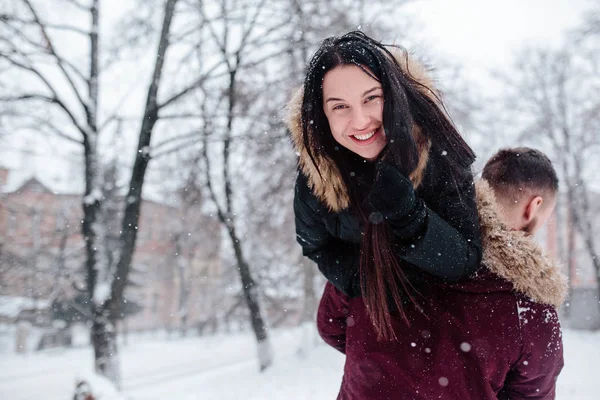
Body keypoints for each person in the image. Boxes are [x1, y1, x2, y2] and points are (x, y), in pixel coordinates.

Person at [317, 147, 567, 399]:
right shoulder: (531, 310)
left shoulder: (380, 249)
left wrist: (384, 360)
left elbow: (331, 326)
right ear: (533, 207)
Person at [289, 30, 483, 341]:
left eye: (371, 98)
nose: (361, 120)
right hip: (370, 331)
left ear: (391, 94)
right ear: (322, 116)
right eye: (340, 107)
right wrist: (365, 282)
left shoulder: (437, 152)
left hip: (445, 329)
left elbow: (466, 259)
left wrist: (411, 217)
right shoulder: (316, 176)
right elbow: (316, 245)